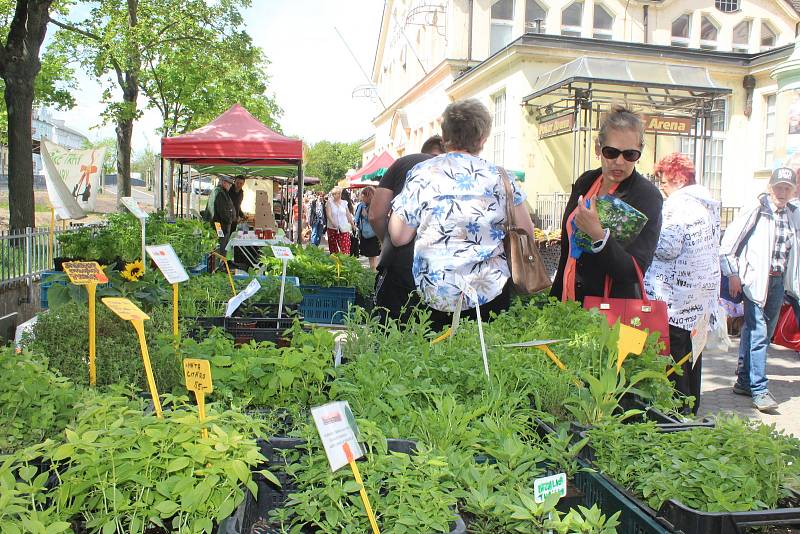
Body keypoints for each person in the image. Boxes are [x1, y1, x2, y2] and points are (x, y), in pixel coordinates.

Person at [389, 99, 535, 332]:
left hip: (433, 289)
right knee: (485, 362)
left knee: (432, 361)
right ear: (482, 138)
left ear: (445, 135)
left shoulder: (422, 173)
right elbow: (527, 232)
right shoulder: (501, 178)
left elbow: (398, 236)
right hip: (490, 290)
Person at [551, 105, 663, 303]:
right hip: (567, 303)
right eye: (611, 152)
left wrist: (599, 236)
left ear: (640, 153)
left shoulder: (646, 196)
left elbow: (633, 272)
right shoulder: (586, 181)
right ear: (597, 148)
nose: (619, 161)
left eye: (630, 155)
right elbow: (567, 251)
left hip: (608, 312)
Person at [644, 153, 720, 415]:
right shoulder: (706, 205)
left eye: (663, 179)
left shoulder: (677, 204)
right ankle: (691, 406)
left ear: (677, 177)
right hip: (699, 299)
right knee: (693, 356)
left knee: (673, 358)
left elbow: (667, 247)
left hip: (675, 298)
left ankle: (675, 412)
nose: (661, 185)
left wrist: (645, 234)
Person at [720, 167, 800, 412]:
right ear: (770, 187)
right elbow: (727, 246)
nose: (782, 192)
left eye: (787, 187)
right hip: (755, 280)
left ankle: (744, 381)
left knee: (759, 333)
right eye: (779, 187)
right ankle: (760, 390)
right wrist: (733, 274)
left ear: (793, 190)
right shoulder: (756, 210)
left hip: (778, 282)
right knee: (758, 334)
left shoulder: (793, 213)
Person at [370, 135, 445, 321]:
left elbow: (375, 215)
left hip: (400, 265)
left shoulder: (404, 163)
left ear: (423, 150)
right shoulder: (462, 170)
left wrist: (385, 240)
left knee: (392, 329)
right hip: (445, 270)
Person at [211, 175, 236, 263]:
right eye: (229, 184)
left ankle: (221, 263)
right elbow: (223, 211)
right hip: (220, 225)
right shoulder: (219, 192)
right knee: (221, 245)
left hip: (222, 224)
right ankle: (220, 264)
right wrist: (230, 220)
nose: (230, 186)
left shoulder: (221, 192)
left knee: (222, 245)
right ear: (224, 183)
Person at [354, 186, 380, 270]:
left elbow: (374, 219)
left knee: (373, 256)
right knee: (371, 256)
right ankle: (373, 271)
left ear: (368, 196)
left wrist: (365, 216)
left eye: (363, 195)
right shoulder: (365, 205)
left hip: (372, 234)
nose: (362, 197)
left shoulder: (373, 206)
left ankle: (373, 272)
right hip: (369, 233)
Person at [325, 187, 355, 254]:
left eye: (339, 193)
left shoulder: (344, 203)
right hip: (332, 228)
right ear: (333, 195)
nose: (338, 195)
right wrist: (333, 222)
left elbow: (348, 215)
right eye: (336, 194)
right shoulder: (329, 203)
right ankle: (336, 263)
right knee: (334, 249)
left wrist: (353, 225)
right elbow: (328, 214)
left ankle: (344, 262)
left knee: (345, 248)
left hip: (344, 227)